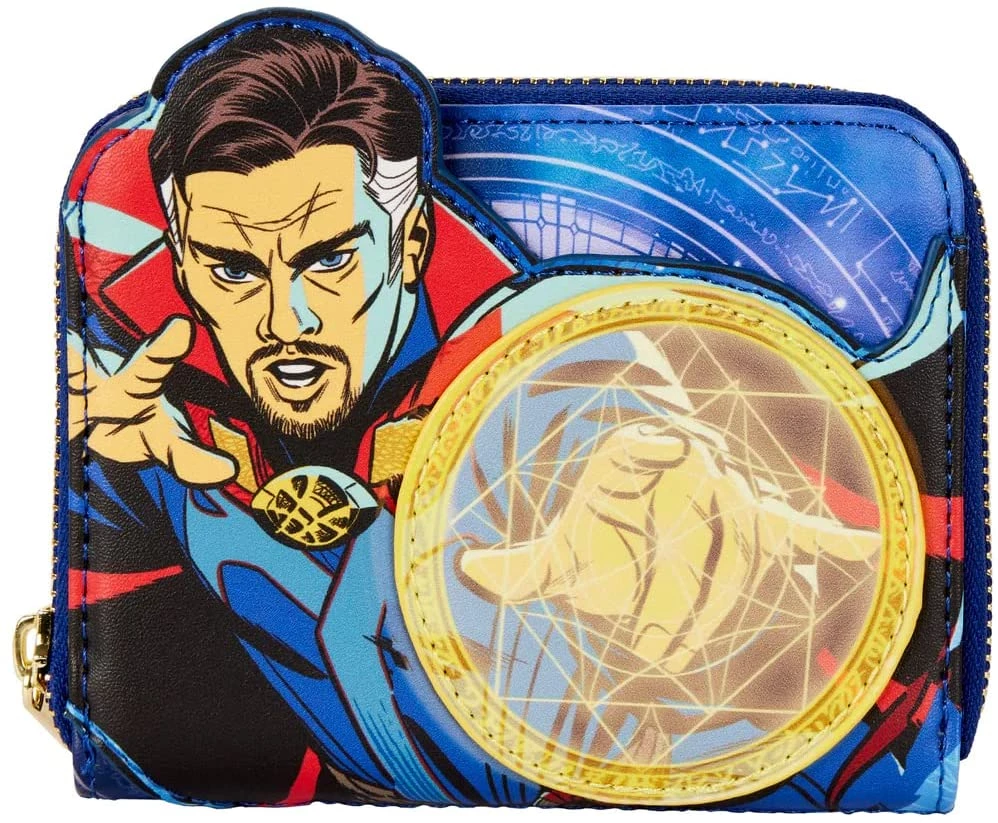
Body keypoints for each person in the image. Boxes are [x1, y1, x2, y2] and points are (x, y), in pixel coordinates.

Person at [67, 24, 878, 805]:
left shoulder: (538, 349)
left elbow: (601, 406)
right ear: (184, 263)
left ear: (412, 241)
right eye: (233, 270)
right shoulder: (148, 400)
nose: (288, 318)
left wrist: (660, 505)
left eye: (333, 259)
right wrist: (96, 472)